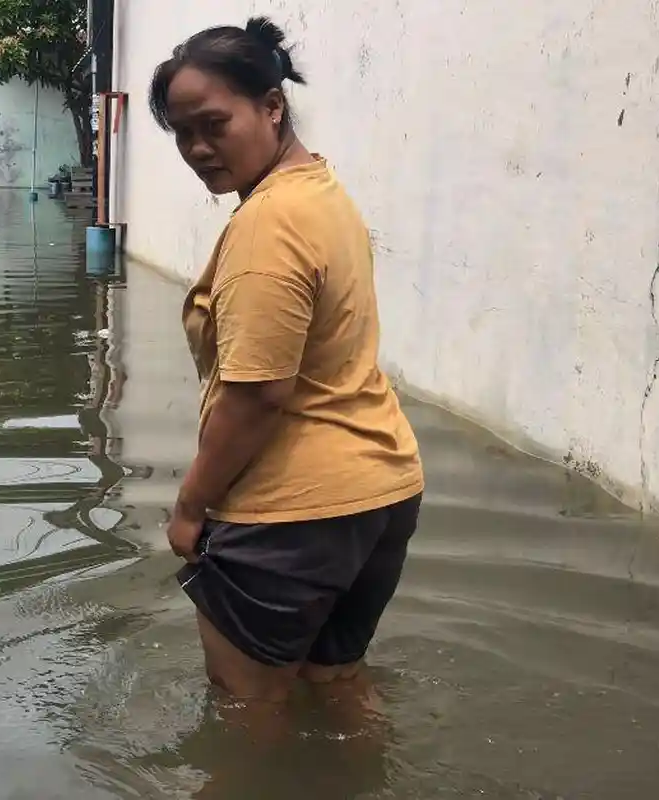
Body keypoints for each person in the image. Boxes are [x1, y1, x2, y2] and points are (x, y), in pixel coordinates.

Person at [149, 16, 425, 702]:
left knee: (245, 713)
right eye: (182, 132)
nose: (198, 148)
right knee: (336, 688)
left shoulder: (268, 225)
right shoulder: (320, 191)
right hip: (382, 492)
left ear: (272, 107)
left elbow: (256, 395)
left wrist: (189, 508)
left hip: (292, 512)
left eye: (214, 124)